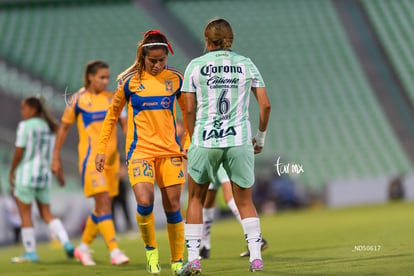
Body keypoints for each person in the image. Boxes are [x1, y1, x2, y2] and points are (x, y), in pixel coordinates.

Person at [177, 18, 271, 275]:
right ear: (231, 40)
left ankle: (194, 259)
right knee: (245, 201)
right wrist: (260, 138)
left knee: (195, 198)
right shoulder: (246, 64)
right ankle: (255, 259)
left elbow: (187, 107)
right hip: (239, 140)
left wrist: (191, 137)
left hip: (206, 140)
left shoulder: (195, 65)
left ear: (206, 41)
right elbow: (265, 105)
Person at [95, 30, 188, 275]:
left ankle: (177, 262)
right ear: (143, 56)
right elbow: (112, 115)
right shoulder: (129, 81)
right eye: (152, 61)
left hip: (170, 152)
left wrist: (187, 141)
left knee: (173, 207)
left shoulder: (176, 79)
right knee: (145, 201)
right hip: (141, 151)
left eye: (161, 61)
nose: (157, 65)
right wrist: (101, 149)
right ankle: (151, 252)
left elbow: (190, 113)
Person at [51, 60, 129, 266]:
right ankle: (115, 251)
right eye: (101, 77)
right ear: (90, 77)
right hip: (90, 161)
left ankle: (83, 248)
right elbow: (63, 128)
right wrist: (55, 156)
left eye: (107, 77)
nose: (105, 81)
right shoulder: (77, 100)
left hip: (112, 161)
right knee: (104, 204)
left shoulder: (114, 99)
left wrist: (130, 153)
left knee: (102, 208)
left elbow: (125, 126)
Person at [9, 96, 75, 263]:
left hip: (26, 174)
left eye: (24, 108)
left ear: (33, 109)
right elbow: (55, 154)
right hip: (44, 175)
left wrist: (12, 171)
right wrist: (59, 173)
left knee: (25, 214)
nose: (22, 112)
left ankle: (31, 252)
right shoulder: (49, 127)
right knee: (47, 214)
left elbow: (19, 151)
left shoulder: (25, 126)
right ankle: (66, 242)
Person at [199, 165, 268, 259]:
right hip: (208, 160)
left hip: (220, 158)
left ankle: (257, 240)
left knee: (230, 198)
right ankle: (205, 247)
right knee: (207, 202)